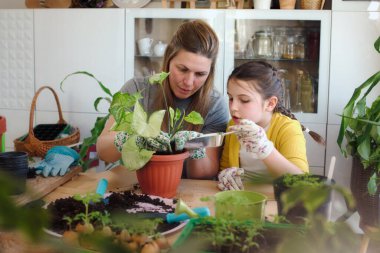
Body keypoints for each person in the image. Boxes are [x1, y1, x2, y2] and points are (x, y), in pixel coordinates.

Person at [96, 20, 229, 179]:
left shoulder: (214, 104)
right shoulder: (137, 90)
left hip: (188, 189)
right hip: (139, 184)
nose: (188, 82)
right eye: (182, 69)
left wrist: (194, 145)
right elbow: (104, 152)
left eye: (200, 74)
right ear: (168, 61)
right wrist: (132, 139)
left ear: (210, 73)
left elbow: (204, 174)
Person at [218, 61, 325, 191]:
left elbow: (302, 184)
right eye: (230, 98)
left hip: (277, 203)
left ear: (270, 103)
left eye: (244, 100)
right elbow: (224, 167)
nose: (233, 107)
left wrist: (265, 149)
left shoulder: (287, 128)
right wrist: (226, 175)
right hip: (244, 200)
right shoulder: (233, 126)